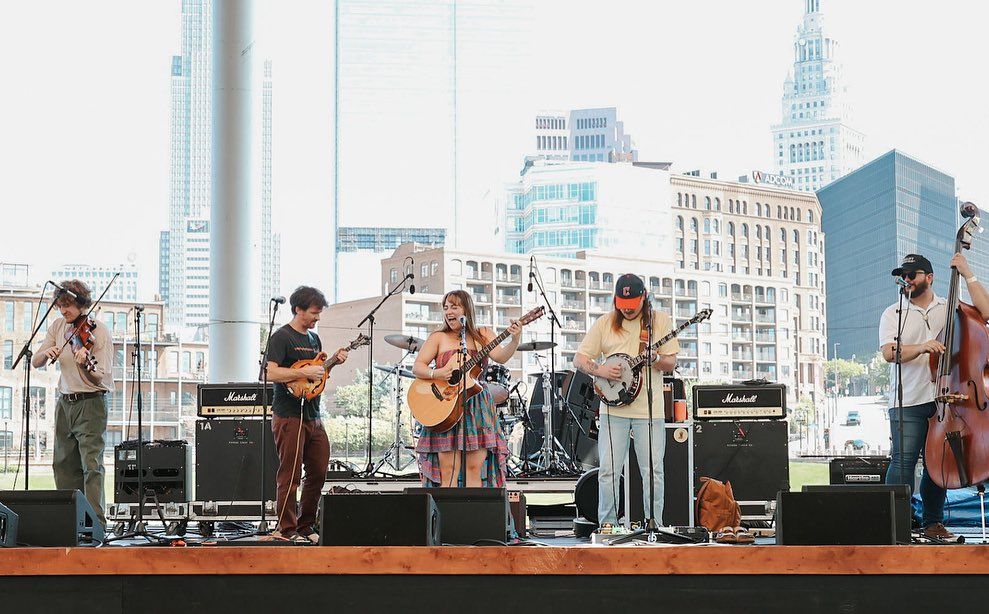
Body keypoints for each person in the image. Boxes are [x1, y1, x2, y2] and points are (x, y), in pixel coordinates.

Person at [880, 252, 989, 541]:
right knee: (902, 462)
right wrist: (922, 347)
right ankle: (895, 524)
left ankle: (933, 523)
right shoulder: (893, 313)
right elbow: (889, 353)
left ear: (929, 277)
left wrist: (967, 273)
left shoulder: (950, 307)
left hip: (947, 399)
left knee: (937, 465)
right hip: (908, 399)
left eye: (912, 275)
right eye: (903, 276)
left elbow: (986, 311)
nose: (906, 280)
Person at [573, 274, 678, 527]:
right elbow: (579, 359)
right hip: (613, 411)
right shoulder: (605, 322)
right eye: (622, 304)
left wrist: (655, 359)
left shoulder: (659, 321)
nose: (627, 310)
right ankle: (608, 525)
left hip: (649, 411)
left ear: (644, 298)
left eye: (632, 304)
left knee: (653, 471)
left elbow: (671, 363)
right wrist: (601, 370)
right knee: (608, 470)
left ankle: (654, 524)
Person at [412, 290, 523, 488]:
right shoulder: (438, 337)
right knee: (448, 470)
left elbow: (501, 357)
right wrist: (437, 373)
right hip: (445, 408)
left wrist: (515, 340)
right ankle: (446, 509)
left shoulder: (483, 334)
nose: (448, 312)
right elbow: (417, 367)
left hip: (476, 406)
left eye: (454, 307)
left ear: (466, 309)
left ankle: (472, 509)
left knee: (474, 468)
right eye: (446, 308)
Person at [265, 286, 348, 542]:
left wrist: (332, 364)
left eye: (319, 313)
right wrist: (304, 372)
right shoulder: (281, 337)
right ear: (298, 309)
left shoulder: (314, 340)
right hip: (289, 415)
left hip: (314, 415)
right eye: (314, 312)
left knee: (319, 471)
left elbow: (315, 377)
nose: (317, 317)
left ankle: (306, 525)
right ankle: (286, 529)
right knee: (290, 475)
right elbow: (269, 372)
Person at [32, 280, 113, 526]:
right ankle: (71, 521)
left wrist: (85, 364)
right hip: (65, 402)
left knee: (91, 464)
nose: (63, 310)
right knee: (63, 464)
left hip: (91, 402)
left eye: (67, 305)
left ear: (81, 304)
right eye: (60, 305)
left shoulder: (99, 331)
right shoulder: (58, 326)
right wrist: (46, 353)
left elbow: (100, 377)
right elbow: (36, 361)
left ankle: (96, 524)